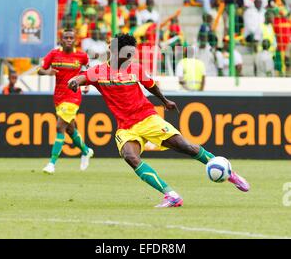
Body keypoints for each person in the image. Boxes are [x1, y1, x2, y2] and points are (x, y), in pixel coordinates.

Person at [68, 34, 250, 208]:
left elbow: (151, 85)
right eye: (127, 55)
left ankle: (231, 174)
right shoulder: (99, 72)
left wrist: (164, 101)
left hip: (147, 118)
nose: (130, 58)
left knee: (186, 146)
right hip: (126, 127)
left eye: (132, 54)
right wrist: (74, 82)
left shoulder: (135, 69)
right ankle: (171, 195)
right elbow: (81, 77)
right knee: (130, 157)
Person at [38, 29, 94, 174]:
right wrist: (47, 72)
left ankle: (52, 163)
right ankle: (86, 151)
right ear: (61, 40)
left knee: (59, 126)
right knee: (70, 129)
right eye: (66, 38)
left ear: (75, 40)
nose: (69, 40)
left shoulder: (81, 55)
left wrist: (87, 84)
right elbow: (40, 69)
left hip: (73, 96)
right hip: (58, 96)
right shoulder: (54, 54)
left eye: (71, 38)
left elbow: (89, 70)